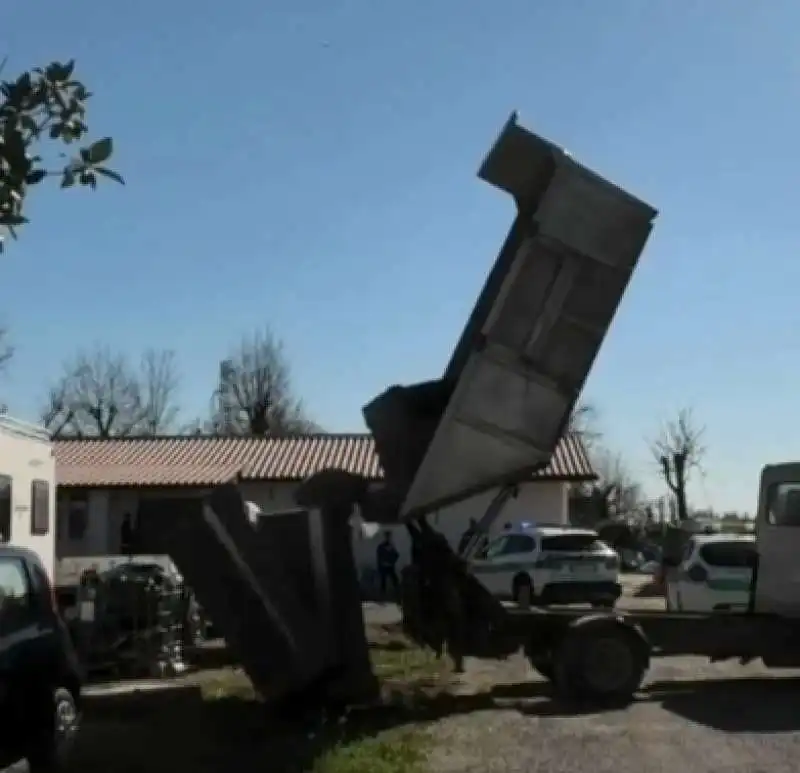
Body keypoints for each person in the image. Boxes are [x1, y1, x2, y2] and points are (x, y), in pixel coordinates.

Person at [376, 531, 400, 599]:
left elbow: (396, 555)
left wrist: (392, 561)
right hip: (385, 565)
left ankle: (397, 592)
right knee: (384, 581)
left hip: (389, 565)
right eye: (387, 536)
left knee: (393, 580)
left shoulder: (391, 546)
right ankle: (383, 594)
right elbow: (379, 556)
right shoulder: (382, 546)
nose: (388, 538)